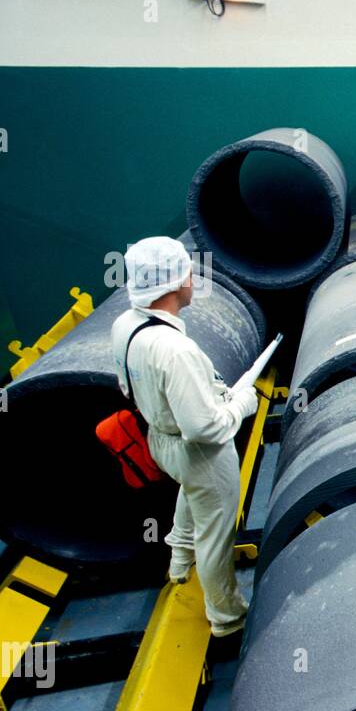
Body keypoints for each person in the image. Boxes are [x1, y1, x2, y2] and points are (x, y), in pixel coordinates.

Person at [111, 236, 258, 637]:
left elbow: (129, 387)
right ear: (176, 283)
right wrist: (242, 404)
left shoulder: (125, 325)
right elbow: (205, 429)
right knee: (216, 530)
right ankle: (227, 617)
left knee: (192, 492)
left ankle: (178, 557)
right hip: (199, 452)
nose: (193, 278)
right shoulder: (175, 350)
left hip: (160, 440)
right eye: (188, 271)